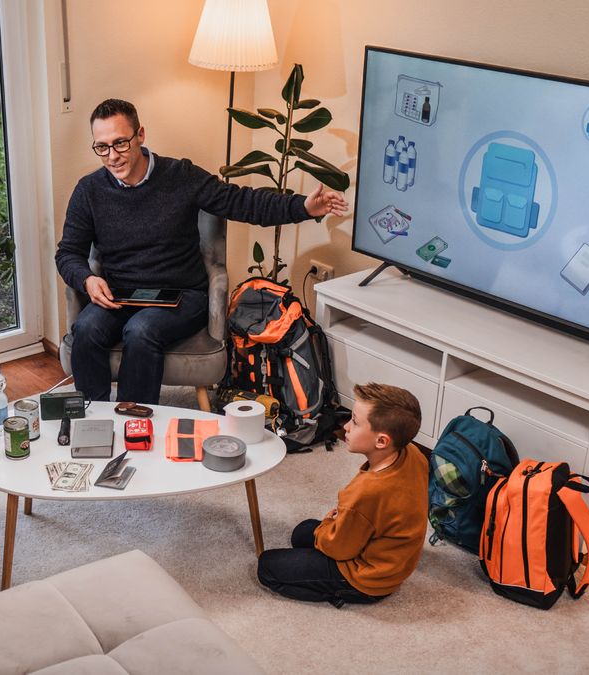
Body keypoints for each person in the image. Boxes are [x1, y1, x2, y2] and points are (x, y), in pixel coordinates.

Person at [55, 98, 348, 404]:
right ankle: (94, 417)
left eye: (120, 143)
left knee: (140, 331)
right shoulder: (89, 190)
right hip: (121, 293)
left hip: (181, 294)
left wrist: (302, 206)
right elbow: (68, 253)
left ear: (140, 135)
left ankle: (135, 423)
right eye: (102, 147)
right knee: (86, 329)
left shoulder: (181, 176)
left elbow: (242, 202)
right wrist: (87, 279)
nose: (112, 156)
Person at [257, 382, 428, 607]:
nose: (345, 427)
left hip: (367, 578)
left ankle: (341, 594)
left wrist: (331, 521)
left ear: (382, 441)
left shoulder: (367, 491)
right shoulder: (413, 453)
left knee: (266, 567)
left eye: (355, 422)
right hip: (391, 560)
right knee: (302, 532)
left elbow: (338, 548)